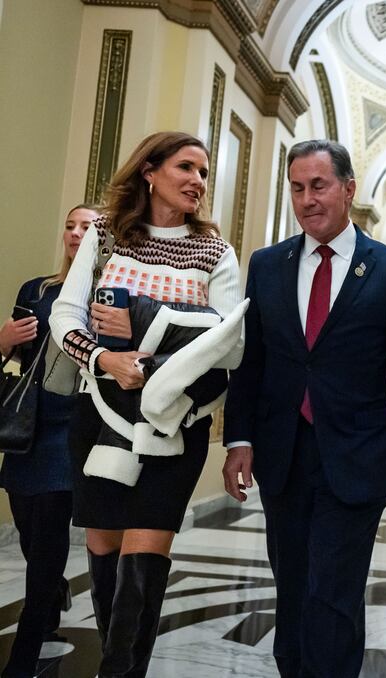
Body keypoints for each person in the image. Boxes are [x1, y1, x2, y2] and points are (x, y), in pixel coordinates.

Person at [222, 139, 386, 678]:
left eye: (318, 186)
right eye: (297, 188)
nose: (307, 199)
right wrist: (238, 438)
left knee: (334, 591)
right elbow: (253, 360)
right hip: (283, 453)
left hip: (356, 456)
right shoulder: (268, 265)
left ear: (347, 189)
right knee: (291, 585)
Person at [49, 131, 245, 676]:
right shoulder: (107, 237)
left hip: (175, 424)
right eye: (186, 167)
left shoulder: (215, 250)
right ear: (150, 172)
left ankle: (121, 672)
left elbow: (229, 342)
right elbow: (65, 314)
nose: (198, 182)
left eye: (204, 173)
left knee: (147, 548)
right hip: (100, 416)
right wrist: (102, 359)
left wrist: (144, 327)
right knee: (105, 547)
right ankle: (116, 663)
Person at [0, 204, 99, 677]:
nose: (76, 234)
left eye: (88, 227)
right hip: (27, 429)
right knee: (27, 527)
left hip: (74, 431)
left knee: (49, 534)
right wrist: (1, 341)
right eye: (70, 225)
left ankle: (25, 650)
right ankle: (55, 588)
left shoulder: (109, 296)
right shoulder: (37, 291)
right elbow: (15, 360)